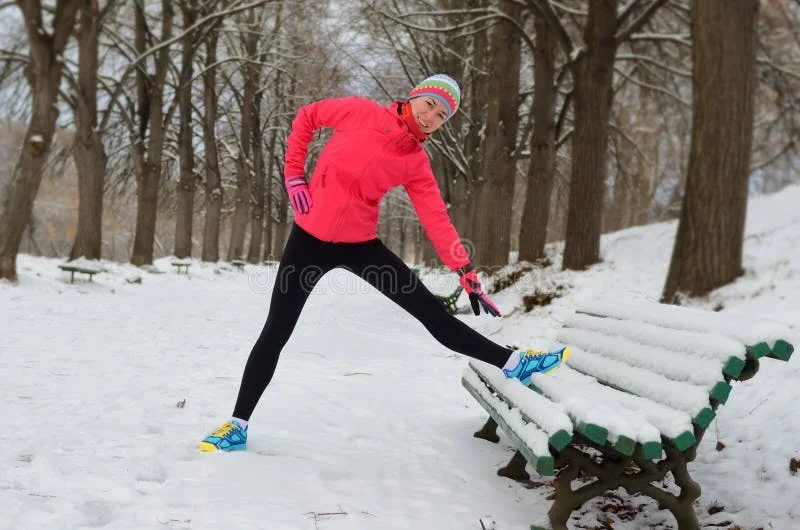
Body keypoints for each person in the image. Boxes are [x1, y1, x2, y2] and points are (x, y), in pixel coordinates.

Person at [199, 74, 570, 452]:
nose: (431, 117)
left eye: (442, 115)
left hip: (360, 246)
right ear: (413, 98)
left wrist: (465, 271)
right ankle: (237, 426)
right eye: (429, 105)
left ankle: (513, 363)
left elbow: (436, 219)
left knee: (433, 316)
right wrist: (294, 174)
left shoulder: (415, 163)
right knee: (276, 330)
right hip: (307, 242)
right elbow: (308, 115)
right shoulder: (361, 112)